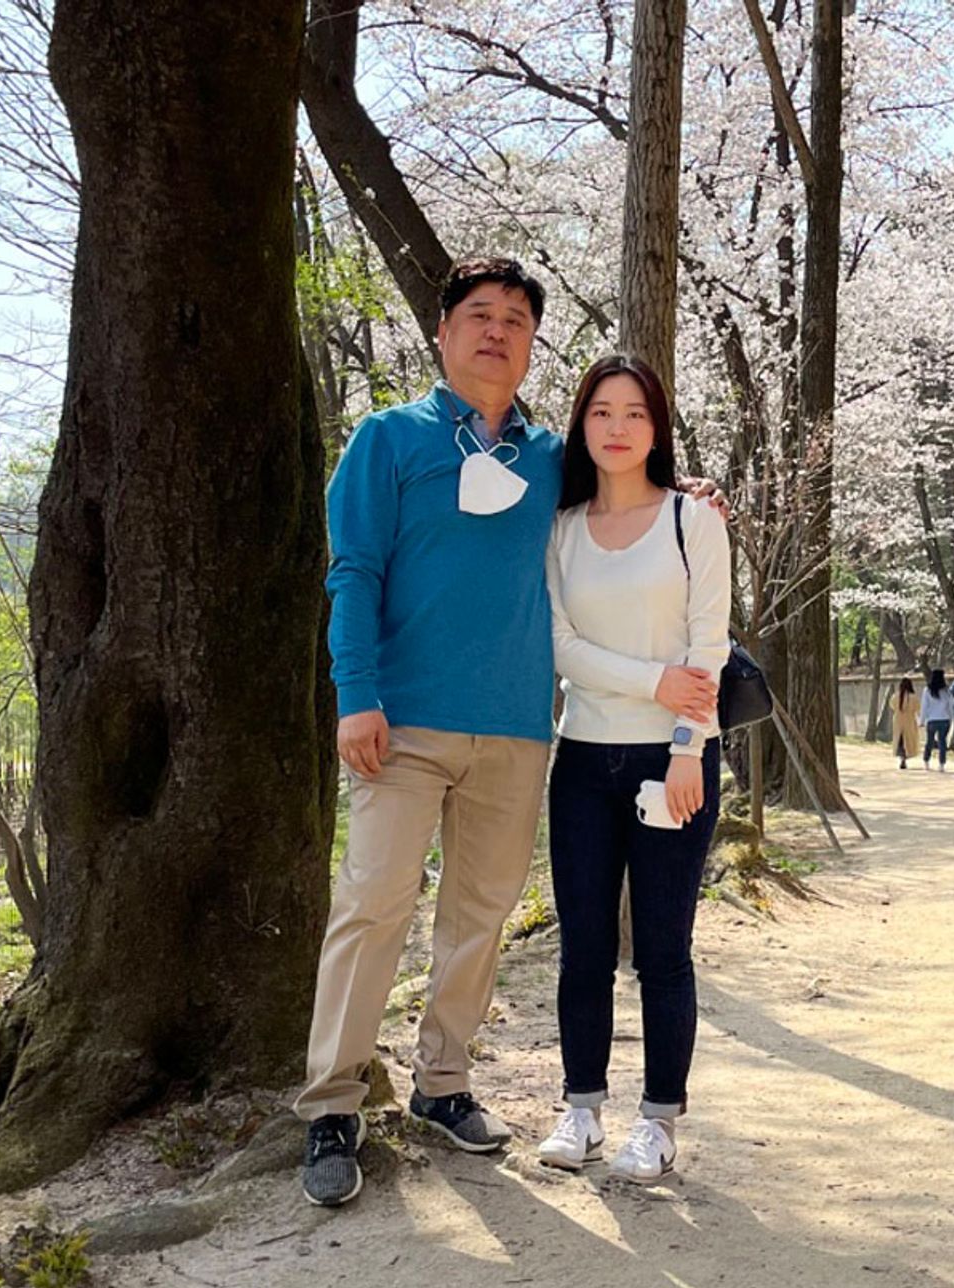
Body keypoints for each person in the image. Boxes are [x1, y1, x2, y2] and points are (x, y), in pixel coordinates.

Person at [295, 257, 727, 1209]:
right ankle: (332, 1104)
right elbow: (353, 571)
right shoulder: (388, 440)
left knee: (479, 914)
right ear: (443, 333)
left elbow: (627, 492)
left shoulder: (548, 458)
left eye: (518, 320)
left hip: (520, 729)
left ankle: (443, 1085)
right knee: (373, 902)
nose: (498, 331)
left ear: (533, 345)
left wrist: (690, 497)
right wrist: (354, 693)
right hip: (401, 721)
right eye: (479, 315)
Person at [535, 355, 729, 1183]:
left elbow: (708, 641)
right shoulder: (563, 526)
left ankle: (658, 1122)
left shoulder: (694, 520)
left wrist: (689, 745)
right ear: (583, 426)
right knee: (582, 946)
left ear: (657, 428)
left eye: (635, 414)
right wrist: (650, 680)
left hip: (675, 759)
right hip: (581, 756)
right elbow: (560, 646)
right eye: (602, 413)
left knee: (662, 949)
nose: (618, 428)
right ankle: (580, 1107)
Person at [919, 668, 954, 771]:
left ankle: (926, 761)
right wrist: (952, 718)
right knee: (942, 742)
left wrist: (922, 720)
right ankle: (942, 764)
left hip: (931, 720)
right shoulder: (947, 691)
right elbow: (950, 706)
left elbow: (924, 706)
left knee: (929, 741)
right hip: (944, 719)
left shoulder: (927, 690)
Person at [889, 678, 921, 769]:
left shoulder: (895, 696)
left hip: (898, 721)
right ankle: (905, 757)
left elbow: (892, 706)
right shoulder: (913, 697)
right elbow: (917, 708)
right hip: (909, 721)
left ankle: (901, 757)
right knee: (908, 740)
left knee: (900, 740)